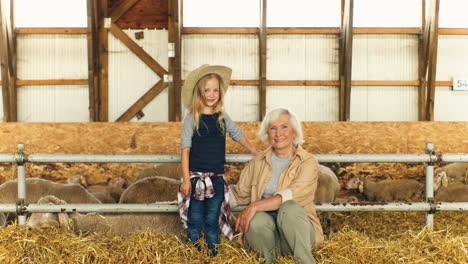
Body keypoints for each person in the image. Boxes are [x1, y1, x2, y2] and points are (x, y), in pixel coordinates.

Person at [178, 64, 257, 256]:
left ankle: (214, 255)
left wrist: (255, 151)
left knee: (213, 220)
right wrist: (187, 179)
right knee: (195, 219)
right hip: (196, 179)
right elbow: (185, 150)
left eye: (215, 90)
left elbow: (237, 134)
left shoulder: (222, 117)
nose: (211, 94)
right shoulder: (192, 119)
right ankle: (194, 254)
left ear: (220, 92)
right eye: (207, 90)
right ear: (199, 92)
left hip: (216, 179)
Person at [230, 107, 323, 264]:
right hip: (268, 238)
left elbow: (295, 193)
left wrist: (254, 206)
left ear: (294, 131)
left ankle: (305, 261)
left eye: (284, 127)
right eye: (273, 128)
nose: (278, 133)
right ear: (268, 134)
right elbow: (240, 194)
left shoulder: (307, 161)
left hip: (298, 235)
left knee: (290, 208)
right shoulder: (257, 162)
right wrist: (207, 194)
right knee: (255, 219)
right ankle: (268, 260)